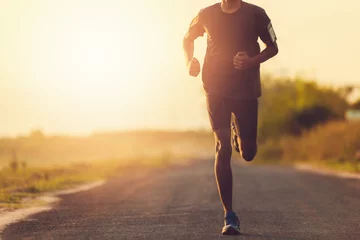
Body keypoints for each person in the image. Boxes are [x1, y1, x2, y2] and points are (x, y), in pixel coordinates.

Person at [183, 0, 278, 235]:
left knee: (248, 153)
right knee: (222, 147)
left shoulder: (257, 14)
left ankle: (240, 137)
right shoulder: (206, 14)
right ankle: (229, 215)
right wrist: (189, 62)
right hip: (215, 88)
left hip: (246, 89)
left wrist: (251, 62)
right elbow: (187, 39)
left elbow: (273, 47)